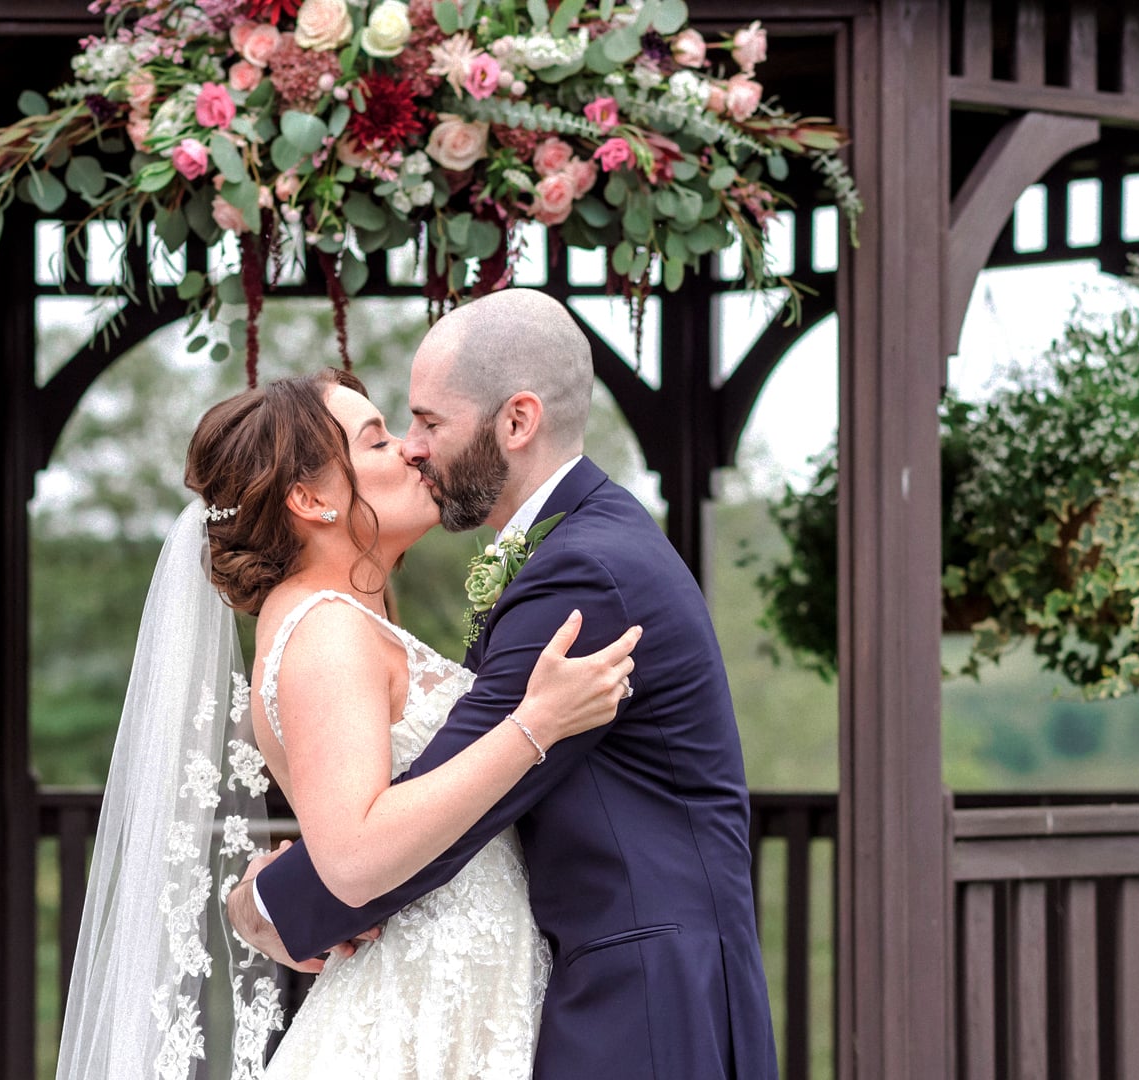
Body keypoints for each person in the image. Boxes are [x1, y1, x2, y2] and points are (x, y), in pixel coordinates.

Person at [228, 288, 779, 1080]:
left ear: (516, 422)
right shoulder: (575, 549)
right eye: (392, 433)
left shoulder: (584, 571)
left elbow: (437, 803)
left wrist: (266, 905)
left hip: (643, 998)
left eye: (427, 423)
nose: (415, 448)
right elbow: (427, 801)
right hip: (580, 987)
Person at [53, 366, 640, 1080]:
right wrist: (535, 726)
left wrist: (261, 902)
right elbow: (357, 855)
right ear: (310, 499)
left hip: (461, 989)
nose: (412, 451)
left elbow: (350, 815)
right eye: (377, 441)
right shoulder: (326, 630)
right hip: (418, 1005)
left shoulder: (337, 621)